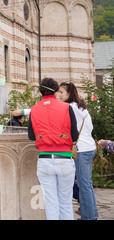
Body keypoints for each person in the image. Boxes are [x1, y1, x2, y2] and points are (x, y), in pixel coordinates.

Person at [28, 78, 78, 220]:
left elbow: (32, 135)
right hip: (64, 160)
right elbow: (74, 134)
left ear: (40, 92)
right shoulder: (66, 108)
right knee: (66, 203)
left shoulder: (34, 110)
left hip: (44, 160)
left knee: (50, 204)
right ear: (56, 91)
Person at [58, 81, 98, 220]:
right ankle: (92, 214)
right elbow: (91, 128)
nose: (59, 95)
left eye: (61, 92)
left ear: (69, 93)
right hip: (90, 147)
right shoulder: (81, 107)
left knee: (83, 185)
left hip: (82, 150)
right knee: (87, 184)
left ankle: (88, 217)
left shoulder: (70, 107)